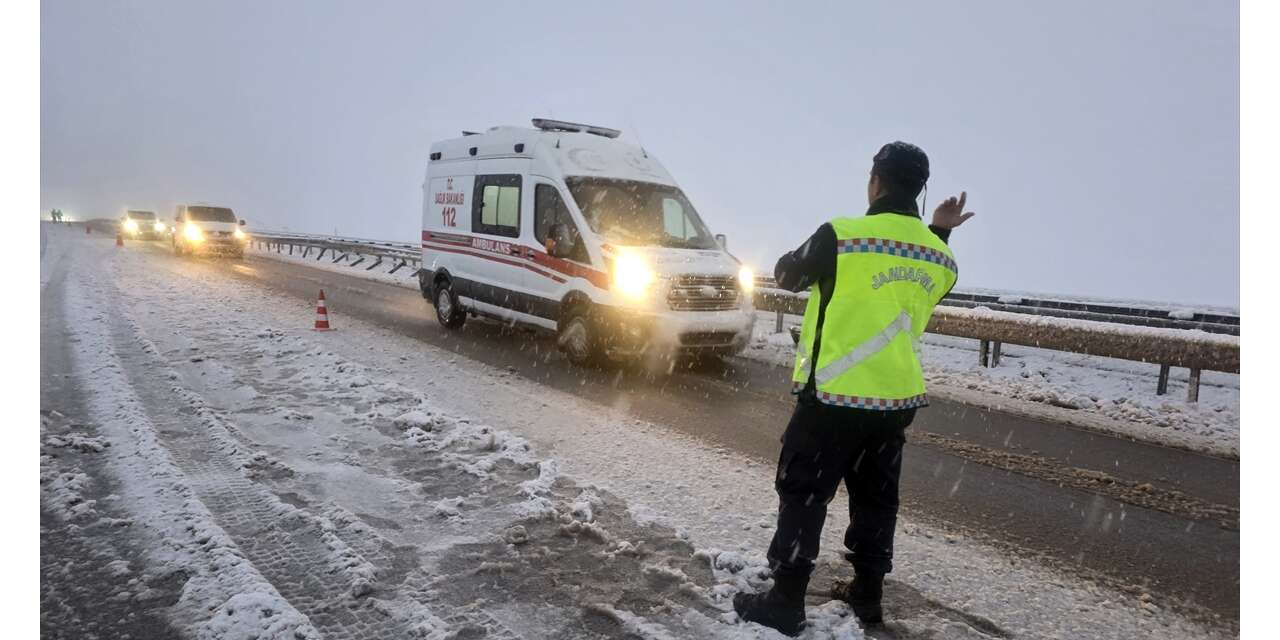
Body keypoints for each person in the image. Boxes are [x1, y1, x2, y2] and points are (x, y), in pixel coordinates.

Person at [733, 141, 975, 635]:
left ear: (876, 181)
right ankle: (867, 594)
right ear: (921, 189)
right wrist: (940, 232)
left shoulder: (841, 235)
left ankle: (785, 599)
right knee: (876, 499)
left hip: (834, 396)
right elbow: (912, 277)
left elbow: (787, 276)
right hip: (894, 401)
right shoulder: (942, 259)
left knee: (804, 492)